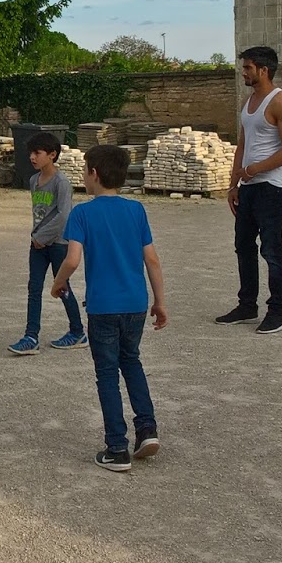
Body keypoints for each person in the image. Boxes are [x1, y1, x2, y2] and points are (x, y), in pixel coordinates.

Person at [49, 144, 167, 472]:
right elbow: (152, 260)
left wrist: (58, 283)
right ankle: (147, 429)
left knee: (106, 374)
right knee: (132, 362)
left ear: (94, 174)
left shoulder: (83, 214)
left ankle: (116, 447)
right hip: (135, 304)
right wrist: (160, 302)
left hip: (103, 307)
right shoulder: (136, 210)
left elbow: (72, 259)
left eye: (85, 170)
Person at [215, 45, 282, 335]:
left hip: (272, 188)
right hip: (248, 187)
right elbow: (242, 144)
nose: (243, 72)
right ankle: (247, 306)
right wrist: (233, 184)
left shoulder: (280, 101)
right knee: (244, 247)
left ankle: (277, 312)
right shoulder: (249, 101)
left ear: (263, 70)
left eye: (248, 68)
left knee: (272, 250)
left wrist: (255, 169)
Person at [8, 131, 86, 355]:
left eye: (37, 153)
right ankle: (31, 336)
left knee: (62, 287)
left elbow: (63, 216)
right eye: (31, 153)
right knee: (34, 288)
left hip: (58, 244)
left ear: (52, 155)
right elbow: (39, 214)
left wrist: (42, 238)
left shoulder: (62, 183)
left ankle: (77, 331)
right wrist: (37, 238)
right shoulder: (34, 181)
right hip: (37, 245)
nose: (32, 157)